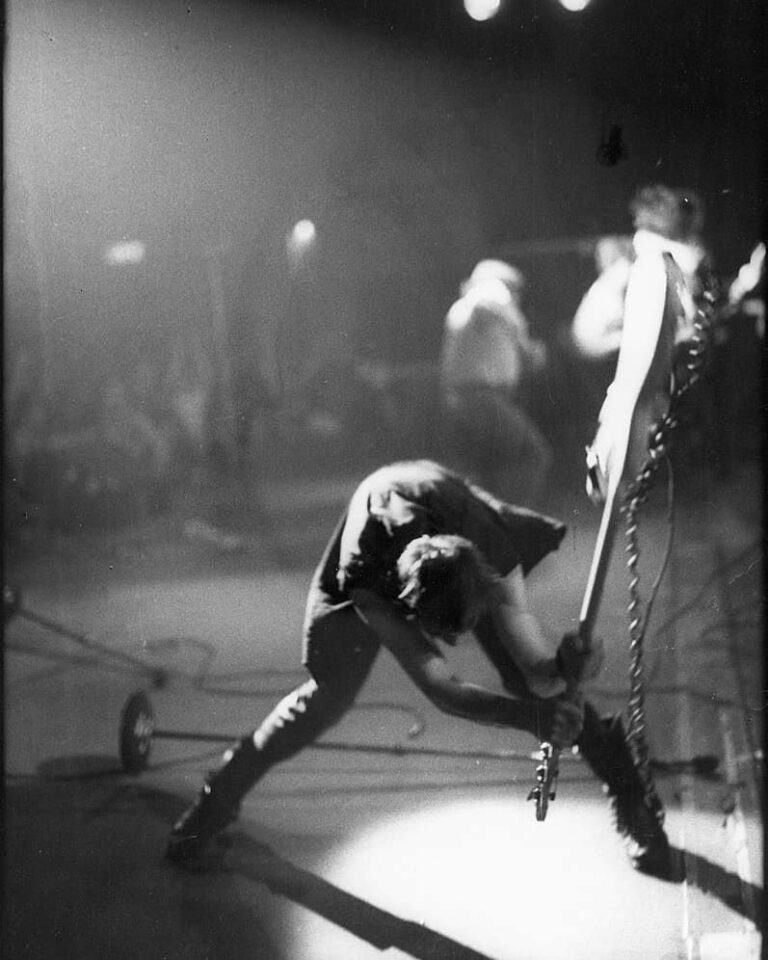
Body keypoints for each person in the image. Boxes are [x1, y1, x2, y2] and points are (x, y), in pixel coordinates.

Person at [166, 459, 671, 875]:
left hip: (441, 500)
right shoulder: (367, 577)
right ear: (410, 610)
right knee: (328, 696)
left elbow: (536, 669)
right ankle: (221, 793)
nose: (456, 642)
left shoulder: (492, 556)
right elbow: (441, 687)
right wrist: (533, 720)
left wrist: (561, 667)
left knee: (529, 683)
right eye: (445, 633)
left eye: (466, 625)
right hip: (374, 544)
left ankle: (631, 796)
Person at [440, 260, 552, 503]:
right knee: (532, 454)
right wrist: (530, 347)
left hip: (469, 399)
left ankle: (493, 524)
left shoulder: (468, 307)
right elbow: (529, 354)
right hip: (481, 398)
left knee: (489, 470)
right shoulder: (490, 299)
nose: (516, 297)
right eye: (514, 289)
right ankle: (513, 521)